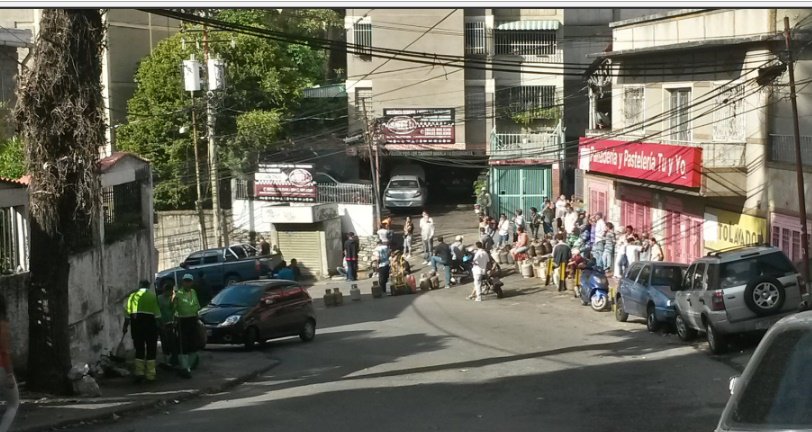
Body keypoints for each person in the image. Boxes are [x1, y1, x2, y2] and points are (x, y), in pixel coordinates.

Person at [123, 280, 162, 383]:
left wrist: (125, 327)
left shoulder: (132, 296)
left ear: (139, 285)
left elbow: (127, 315)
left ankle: (139, 373)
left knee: (139, 349)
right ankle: (150, 375)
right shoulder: (153, 296)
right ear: (148, 286)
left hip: (137, 327)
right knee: (151, 350)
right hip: (150, 327)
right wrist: (160, 327)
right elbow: (157, 315)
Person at [173, 274, 201, 379]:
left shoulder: (193, 292)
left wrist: (197, 319)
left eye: (189, 281)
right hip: (182, 320)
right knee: (183, 345)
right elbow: (174, 308)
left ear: (192, 282)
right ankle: (185, 368)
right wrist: (175, 319)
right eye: (185, 281)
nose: (187, 283)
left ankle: (188, 366)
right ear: (182, 282)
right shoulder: (178, 294)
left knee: (193, 344)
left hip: (193, 319)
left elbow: (196, 306)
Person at [0, 295, 18, 432]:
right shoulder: (2, 324)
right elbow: (5, 352)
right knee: (13, 404)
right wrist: (10, 373)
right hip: (1, 367)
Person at [157, 280, 178, 369]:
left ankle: (172, 359)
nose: (171, 293)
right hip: (162, 323)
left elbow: (173, 310)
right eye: (170, 291)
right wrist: (160, 323)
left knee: (172, 341)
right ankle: (166, 360)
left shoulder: (171, 298)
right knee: (164, 341)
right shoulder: (159, 298)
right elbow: (157, 311)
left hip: (170, 322)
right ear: (166, 290)